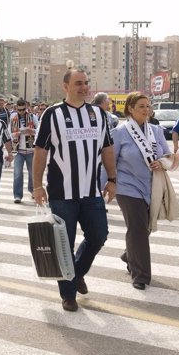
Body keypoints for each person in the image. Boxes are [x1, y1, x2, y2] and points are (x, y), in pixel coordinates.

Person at [33, 68, 116, 312]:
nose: (83, 87)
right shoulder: (52, 114)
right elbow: (40, 151)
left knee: (99, 236)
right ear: (66, 86)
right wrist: (37, 185)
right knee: (63, 244)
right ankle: (68, 294)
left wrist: (112, 179)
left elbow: (107, 148)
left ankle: (77, 272)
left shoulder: (98, 115)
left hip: (91, 192)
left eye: (86, 83)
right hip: (62, 194)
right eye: (78, 83)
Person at [112, 92, 172, 291]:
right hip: (127, 187)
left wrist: (162, 161)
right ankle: (141, 275)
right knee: (137, 228)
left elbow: (168, 155)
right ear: (130, 109)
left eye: (148, 106)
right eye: (141, 106)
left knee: (145, 227)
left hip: (152, 186)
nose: (146, 110)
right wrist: (107, 184)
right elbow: (110, 162)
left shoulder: (156, 131)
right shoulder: (120, 132)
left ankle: (129, 254)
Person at [11, 99, 38, 203]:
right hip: (18, 150)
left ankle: (32, 191)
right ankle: (17, 195)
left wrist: (33, 131)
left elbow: (39, 130)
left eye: (23, 110)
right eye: (19, 110)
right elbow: (10, 133)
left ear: (26, 107)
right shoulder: (13, 118)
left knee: (32, 173)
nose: (21, 112)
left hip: (31, 150)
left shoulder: (32, 117)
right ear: (16, 108)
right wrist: (16, 134)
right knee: (18, 173)